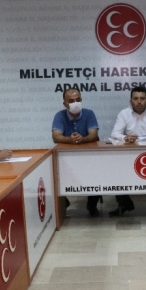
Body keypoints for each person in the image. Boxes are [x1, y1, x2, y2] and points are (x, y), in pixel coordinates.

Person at [110, 86, 146, 216]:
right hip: (129, 155)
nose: (139, 102)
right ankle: (125, 203)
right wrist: (125, 138)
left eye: (142, 98)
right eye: (135, 98)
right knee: (115, 170)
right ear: (130, 101)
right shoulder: (124, 113)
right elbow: (114, 134)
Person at [52, 88, 101, 216]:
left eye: (78, 100)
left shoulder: (89, 114)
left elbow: (94, 135)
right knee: (54, 173)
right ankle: (64, 203)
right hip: (66, 158)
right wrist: (70, 139)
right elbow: (56, 137)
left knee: (97, 172)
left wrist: (82, 139)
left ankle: (92, 205)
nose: (75, 103)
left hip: (89, 157)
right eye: (71, 101)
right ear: (65, 104)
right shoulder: (59, 116)